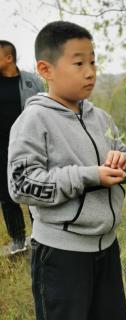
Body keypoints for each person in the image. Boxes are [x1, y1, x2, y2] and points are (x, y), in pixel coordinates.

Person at [7, 21, 126, 320]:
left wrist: (124, 164)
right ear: (46, 69)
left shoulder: (101, 118)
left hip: (107, 247)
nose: (90, 71)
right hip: (61, 256)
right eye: (78, 63)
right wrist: (90, 175)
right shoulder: (33, 121)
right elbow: (22, 185)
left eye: (93, 61)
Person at [0, 40, 45, 254]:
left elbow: (45, 110)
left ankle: (40, 235)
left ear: (8, 58)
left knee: (34, 189)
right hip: (1, 148)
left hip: (29, 144)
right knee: (6, 195)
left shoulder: (32, 82)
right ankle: (18, 240)